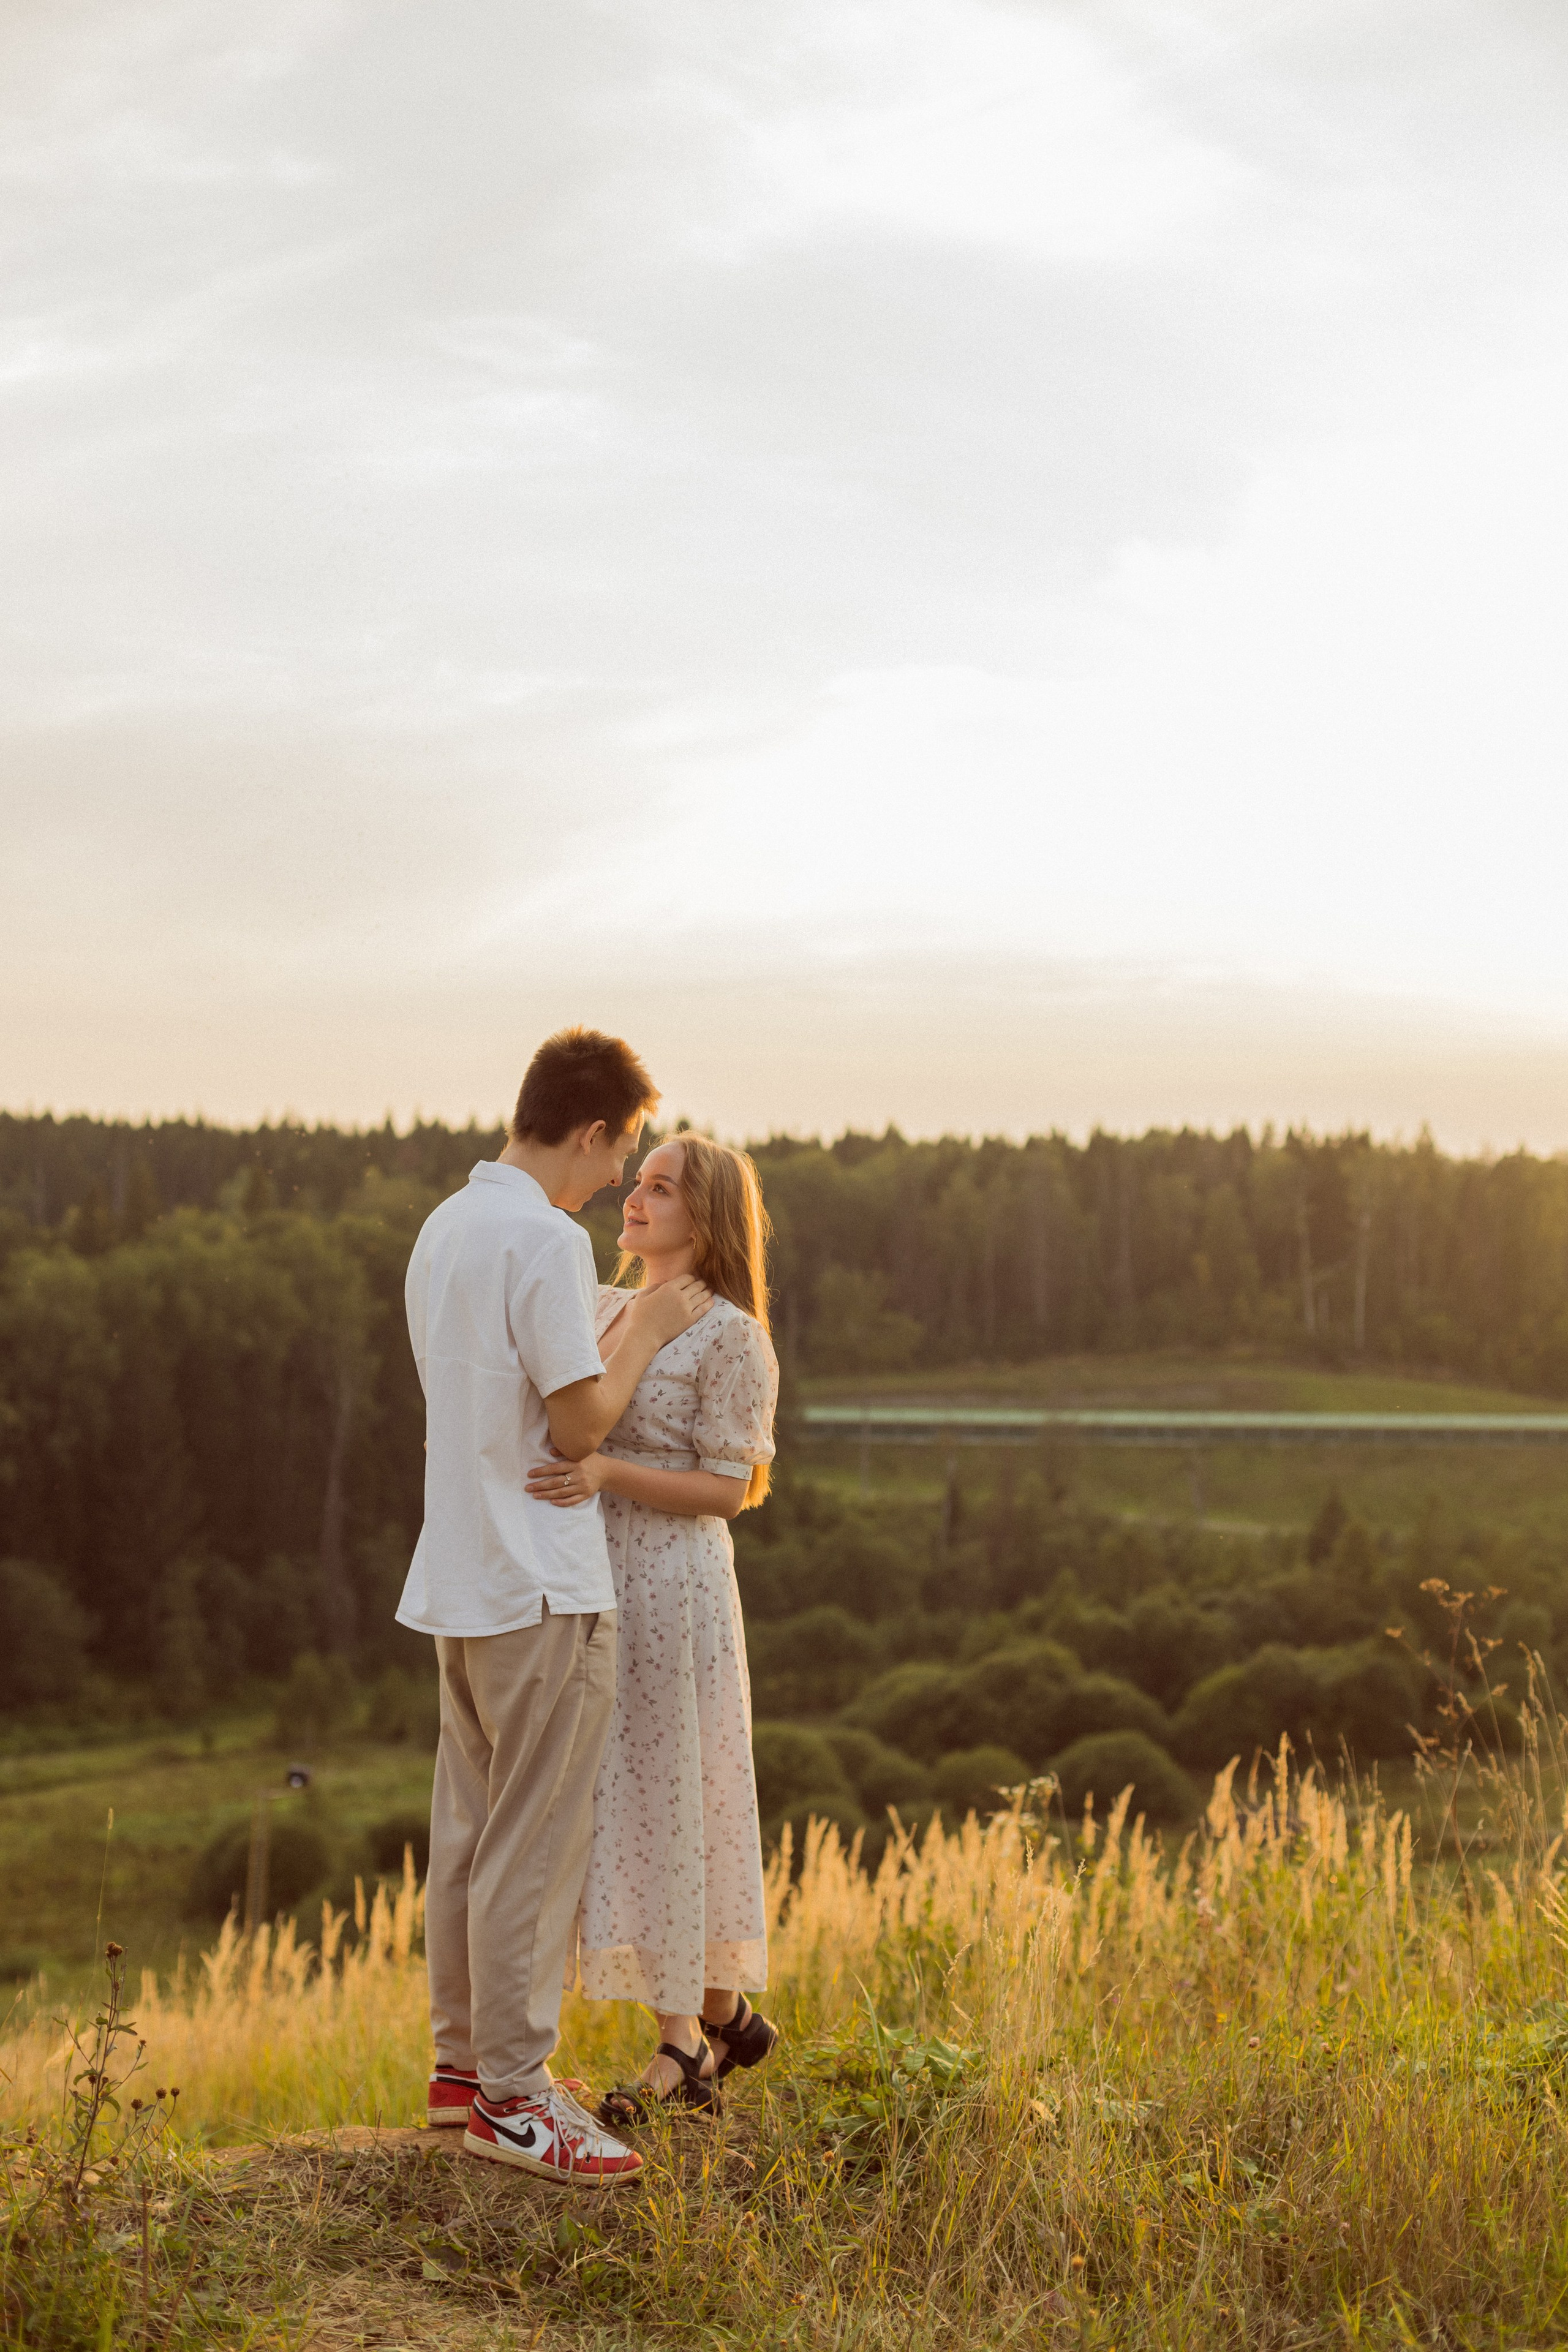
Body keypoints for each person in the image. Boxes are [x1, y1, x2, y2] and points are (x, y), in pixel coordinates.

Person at [398, 1028, 712, 2186]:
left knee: (471, 1834)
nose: (619, 1177)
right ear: (588, 1130)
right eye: (619, 1151)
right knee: (532, 1842)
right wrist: (650, 1331)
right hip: (542, 1579)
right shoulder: (540, 1237)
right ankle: (517, 2100)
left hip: (462, 1576)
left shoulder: (446, 1226)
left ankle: (461, 2069)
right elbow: (579, 1427)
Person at [526, 1133, 780, 2118]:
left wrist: (607, 1475)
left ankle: (685, 2044)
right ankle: (725, 2014)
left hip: (675, 1590)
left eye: (661, 1187)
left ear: (704, 1215)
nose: (635, 1195)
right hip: (595, 1577)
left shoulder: (731, 1335)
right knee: (622, 1801)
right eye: (638, 1180)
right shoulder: (601, 1306)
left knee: (677, 1795)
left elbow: (727, 1490)